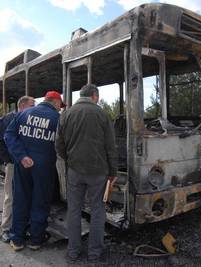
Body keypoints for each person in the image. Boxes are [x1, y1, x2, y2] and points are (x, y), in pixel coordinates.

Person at [55, 84, 118, 263]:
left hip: (75, 170)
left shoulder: (66, 114)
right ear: (94, 96)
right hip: (98, 171)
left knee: (74, 209)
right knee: (98, 209)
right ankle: (94, 253)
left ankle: (73, 251)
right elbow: (110, 147)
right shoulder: (102, 114)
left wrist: (70, 159)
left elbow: (58, 145)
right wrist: (112, 171)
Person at [4, 90, 65, 251]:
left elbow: (9, 135)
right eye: (60, 106)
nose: (60, 109)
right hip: (45, 169)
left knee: (21, 200)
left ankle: (17, 240)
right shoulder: (58, 119)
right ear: (56, 102)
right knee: (41, 202)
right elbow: (63, 145)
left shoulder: (24, 114)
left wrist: (21, 156)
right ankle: (36, 240)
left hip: (23, 166)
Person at [0, 96, 35, 243]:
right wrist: (10, 160)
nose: (34, 107)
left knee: (27, 195)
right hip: (14, 165)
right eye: (32, 105)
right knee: (11, 196)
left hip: (28, 164)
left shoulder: (30, 120)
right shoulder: (6, 120)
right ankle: (6, 228)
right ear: (22, 106)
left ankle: (24, 225)